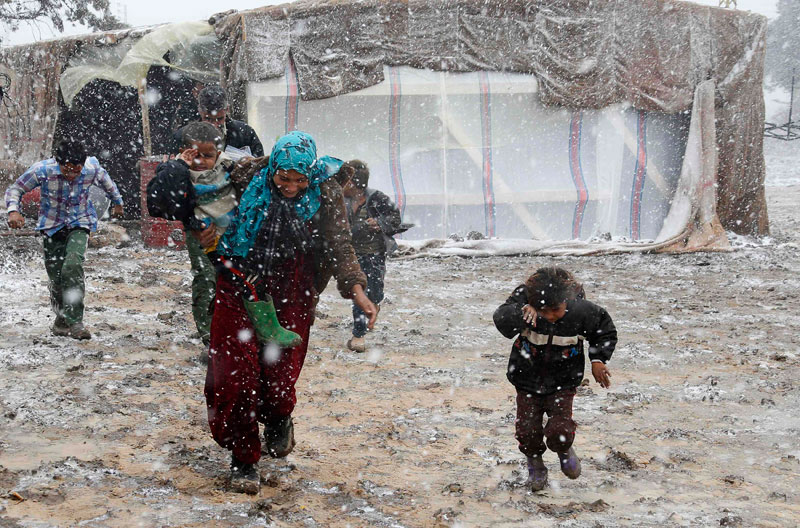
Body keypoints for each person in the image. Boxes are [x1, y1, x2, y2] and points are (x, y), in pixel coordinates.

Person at [199, 131, 378, 494]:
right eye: (284, 178)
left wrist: (357, 289)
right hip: (239, 278)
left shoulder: (325, 192)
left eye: (300, 179)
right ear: (273, 169)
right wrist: (204, 227)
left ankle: (279, 416)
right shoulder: (245, 178)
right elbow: (200, 199)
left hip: (292, 286)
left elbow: (340, 245)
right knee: (237, 375)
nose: (291, 186)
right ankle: (244, 458)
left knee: (280, 374)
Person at [493, 267, 617, 492]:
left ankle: (564, 449)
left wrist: (598, 359)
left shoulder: (581, 311)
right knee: (527, 430)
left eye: (556, 310)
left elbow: (603, 330)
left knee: (560, 431)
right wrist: (523, 311)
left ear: (565, 301)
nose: (550, 316)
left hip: (564, 381)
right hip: (527, 379)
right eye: (544, 311)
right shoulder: (526, 308)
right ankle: (536, 465)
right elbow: (501, 319)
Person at [4, 139, 124, 340]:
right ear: (58, 163)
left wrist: (118, 203)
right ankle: (61, 318)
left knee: (73, 265)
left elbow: (108, 184)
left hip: (80, 222)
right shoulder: (42, 170)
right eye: (67, 170)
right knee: (57, 278)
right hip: (51, 226)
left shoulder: (91, 167)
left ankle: (76, 322)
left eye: (76, 170)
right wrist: (13, 211)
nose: (71, 175)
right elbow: (15, 189)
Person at [154, 121, 241, 349]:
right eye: (195, 155)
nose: (201, 162)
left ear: (218, 153)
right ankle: (209, 336)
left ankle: (229, 331)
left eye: (207, 155)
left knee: (232, 281)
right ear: (184, 152)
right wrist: (180, 165)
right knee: (205, 280)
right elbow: (160, 200)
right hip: (200, 233)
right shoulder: (179, 172)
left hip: (231, 235)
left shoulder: (230, 168)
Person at [340, 159, 410, 353]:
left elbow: (394, 218)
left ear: (356, 185)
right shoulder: (338, 200)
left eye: (346, 181)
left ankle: (374, 305)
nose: (342, 184)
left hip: (374, 254)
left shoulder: (377, 198)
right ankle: (358, 335)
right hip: (351, 255)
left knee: (375, 292)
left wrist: (379, 222)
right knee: (360, 293)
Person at [170, 85, 264, 158]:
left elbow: (260, 168)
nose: (214, 125)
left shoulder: (245, 133)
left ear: (227, 109)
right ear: (200, 111)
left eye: (219, 119)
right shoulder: (182, 136)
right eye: (208, 119)